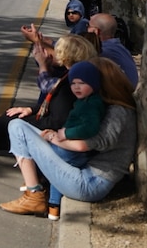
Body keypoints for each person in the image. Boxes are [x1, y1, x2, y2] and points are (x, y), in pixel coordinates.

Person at [0, 57, 137, 217]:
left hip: (90, 183)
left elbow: (83, 145)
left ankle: (34, 194)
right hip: (89, 176)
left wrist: (53, 137)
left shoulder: (118, 113)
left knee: (18, 128)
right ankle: (43, 197)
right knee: (21, 127)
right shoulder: (115, 108)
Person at [43, 60, 107, 220]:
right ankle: (53, 207)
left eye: (82, 83)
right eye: (73, 83)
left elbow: (89, 128)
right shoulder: (83, 101)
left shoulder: (92, 104)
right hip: (71, 146)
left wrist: (67, 134)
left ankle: (51, 203)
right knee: (58, 170)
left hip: (75, 149)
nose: (76, 87)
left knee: (52, 163)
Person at [88, 13, 138, 88]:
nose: (86, 29)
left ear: (96, 31)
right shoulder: (120, 48)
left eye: (88, 26)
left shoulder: (102, 52)